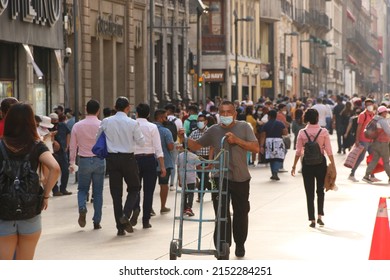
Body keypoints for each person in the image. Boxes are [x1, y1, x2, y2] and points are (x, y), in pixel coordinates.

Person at [178, 100, 259, 258]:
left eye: (229, 112)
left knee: (241, 213)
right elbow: (196, 146)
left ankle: (240, 244)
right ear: (218, 114)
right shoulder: (214, 130)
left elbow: (255, 147)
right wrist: (184, 138)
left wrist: (237, 141)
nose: (226, 115)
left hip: (240, 178)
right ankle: (222, 245)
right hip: (219, 177)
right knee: (221, 213)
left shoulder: (244, 127)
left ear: (235, 114)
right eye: (222, 112)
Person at [0, 103, 60, 260]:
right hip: (30, 210)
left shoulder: (0, 144)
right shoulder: (37, 145)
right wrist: (45, 195)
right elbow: (55, 168)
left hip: (3, 211)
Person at [97, 96, 144, 236]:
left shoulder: (106, 121)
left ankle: (120, 227)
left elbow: (97, 137)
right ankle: (126, 214)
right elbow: (141, 142)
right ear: (128, 108)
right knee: (134, 188)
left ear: (115, 106)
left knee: (116, 194)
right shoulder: (132, 123)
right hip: (128, 158)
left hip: (112, 159)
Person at [291, 108, 335, 228]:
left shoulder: (302, 133)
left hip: (307, 164)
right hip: (320, 163)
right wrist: (333, 165)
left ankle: (312, 219)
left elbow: (298, 151)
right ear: (317, 118)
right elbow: (329, 150)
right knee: (320, 190)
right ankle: (320, 215)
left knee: (309, 192)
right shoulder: (323, 131)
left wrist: (294, 165)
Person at [69, 100, 105, 230]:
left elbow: (72, 146)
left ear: (86, 109)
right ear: (98, 110)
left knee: (83, 189)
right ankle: (97, 221)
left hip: (83, 159)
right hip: (99, 159)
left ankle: (82, 207)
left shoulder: (77, 126)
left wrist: (72, 162)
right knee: (98, 192)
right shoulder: (102, 125)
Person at [132, 103, 165, 229]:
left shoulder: (132, 125)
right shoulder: (152, 127)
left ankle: (135, 209)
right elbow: (158, 148)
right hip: (149, 159)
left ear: (137, 113)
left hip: (134, 160)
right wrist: (162, 166)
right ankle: (146, 220)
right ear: (148, 114)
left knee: (135, 189)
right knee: (148, 191)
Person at [348, 98, 377, 182]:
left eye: (370, 104)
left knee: (373, 157)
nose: (369, 106)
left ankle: (371, 175)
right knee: (361, 158)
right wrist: (357, 139)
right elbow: (359, 128)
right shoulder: (362, 115)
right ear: (365, 105)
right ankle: (352, 174)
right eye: (367, 105)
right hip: (363, 139)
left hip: (370, 140)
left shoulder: (372, 114)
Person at [189, 114, 214, 202]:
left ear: (206, 122)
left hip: (208, 157)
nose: (200, 123)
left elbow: (212, 147)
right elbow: (190, 146)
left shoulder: (210, 132)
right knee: (202, 177)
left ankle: (200, 196)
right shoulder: (194, 133)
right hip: (198, 158)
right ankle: (213, 192)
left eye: (201, 121)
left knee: (204, 177)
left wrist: (210, 161)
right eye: (198, 121)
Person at [154, 109, 174, 214]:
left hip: (151, 161)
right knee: (164, 184)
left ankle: (149, 208)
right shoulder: (166, 131)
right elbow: (170, 147)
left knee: (149, 186)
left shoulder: (149, 129)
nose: (166, 119)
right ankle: (163, 206)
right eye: (165, 117)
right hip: (165, 162)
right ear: (161, 118)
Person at [362, 106, 390, 183]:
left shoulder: (375, 119)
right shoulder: (382, 121)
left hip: (375, 143)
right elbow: (388, 132)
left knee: (374, 160)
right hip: (383, 144)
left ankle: (366, 176)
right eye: (386, 112)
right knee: (386, 162)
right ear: (383, 112)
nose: (387, 113)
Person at [259, 110, 288, 181]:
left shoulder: (266, 124)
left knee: (271, 158)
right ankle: (275, 172)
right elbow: (285, 133)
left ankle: (273, 173)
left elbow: (263, 136)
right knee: (278, 158)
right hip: (278, 141)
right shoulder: (280, 123)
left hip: (269, 142)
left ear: (269, 116)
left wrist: (261, 146)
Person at [49, 112, 72, 196]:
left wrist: (67, 144)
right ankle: (55, 190)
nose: (54, 122)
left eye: (56, 120)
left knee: (65, 170)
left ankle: (63, 188)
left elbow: (68, 133)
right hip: (52, 152)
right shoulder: (48, 127)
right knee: (55, 171)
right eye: (52, 120)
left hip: (62, 151)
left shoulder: (62, 126)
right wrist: (53, 141)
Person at [165, 103, 183, 191]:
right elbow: (181, 133)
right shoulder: (178, 121)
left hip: (164, 144)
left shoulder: (163, 119)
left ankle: (164, 181)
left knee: (164, 163)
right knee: (173, 163)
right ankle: (172, 184)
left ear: (167, 111)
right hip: (175, 143)